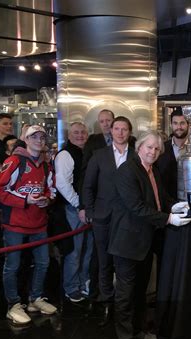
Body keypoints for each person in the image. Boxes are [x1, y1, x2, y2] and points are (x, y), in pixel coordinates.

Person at [109, 130, 191, 339]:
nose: (153, 152)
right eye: (149, 147)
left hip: (144, 243)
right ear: (139, 148)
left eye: (157, 149)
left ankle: (138, 331)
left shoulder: (152, 170)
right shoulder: (127, 171)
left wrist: (177, 206)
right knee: (125, 296)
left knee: (139, 293)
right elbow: (136, 208)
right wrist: (169, 218)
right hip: (127, 243)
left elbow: (161, 199)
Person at [0, 125, 57, 325]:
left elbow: (50, 189)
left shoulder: (46, 164)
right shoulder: (14, 161)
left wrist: (47, 200)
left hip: (39, 223)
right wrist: (25, 200)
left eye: (42, 137)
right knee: (12, 266)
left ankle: (35, 299)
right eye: (34, 137)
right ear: (26, 140)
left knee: (43, 262)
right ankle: (13, 305)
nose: (39, 140)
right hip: (14, 224)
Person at [82, 116, 134, 326]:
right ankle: (106, 300)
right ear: (111, 131)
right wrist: (92, 211)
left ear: (129, 132)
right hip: (103, 217)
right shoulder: (99, 155)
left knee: (125, 262)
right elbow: (88, 186)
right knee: (104, 261)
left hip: (129, 218)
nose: (120, 132)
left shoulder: (137, 155)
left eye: (124, 129)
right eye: (117, 129)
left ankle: (124, 303)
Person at [54, 122, 92, 303]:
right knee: (74, 251)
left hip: (87, 209)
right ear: (69, 136)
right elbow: (62, 183)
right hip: (73, 209)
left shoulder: (87, 152)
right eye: (76, 132)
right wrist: (79, 204)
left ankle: (84, 283)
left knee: (88, 250)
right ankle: (71, 287)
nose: (80, 135)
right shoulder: (65, 155)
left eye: (83, 132)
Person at [155, 107, 189, 200]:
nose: (179, 127)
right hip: (166, 203)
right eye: (175, 123)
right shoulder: (160, 149)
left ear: (188, 124)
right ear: (171, 125)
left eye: (182, 123)